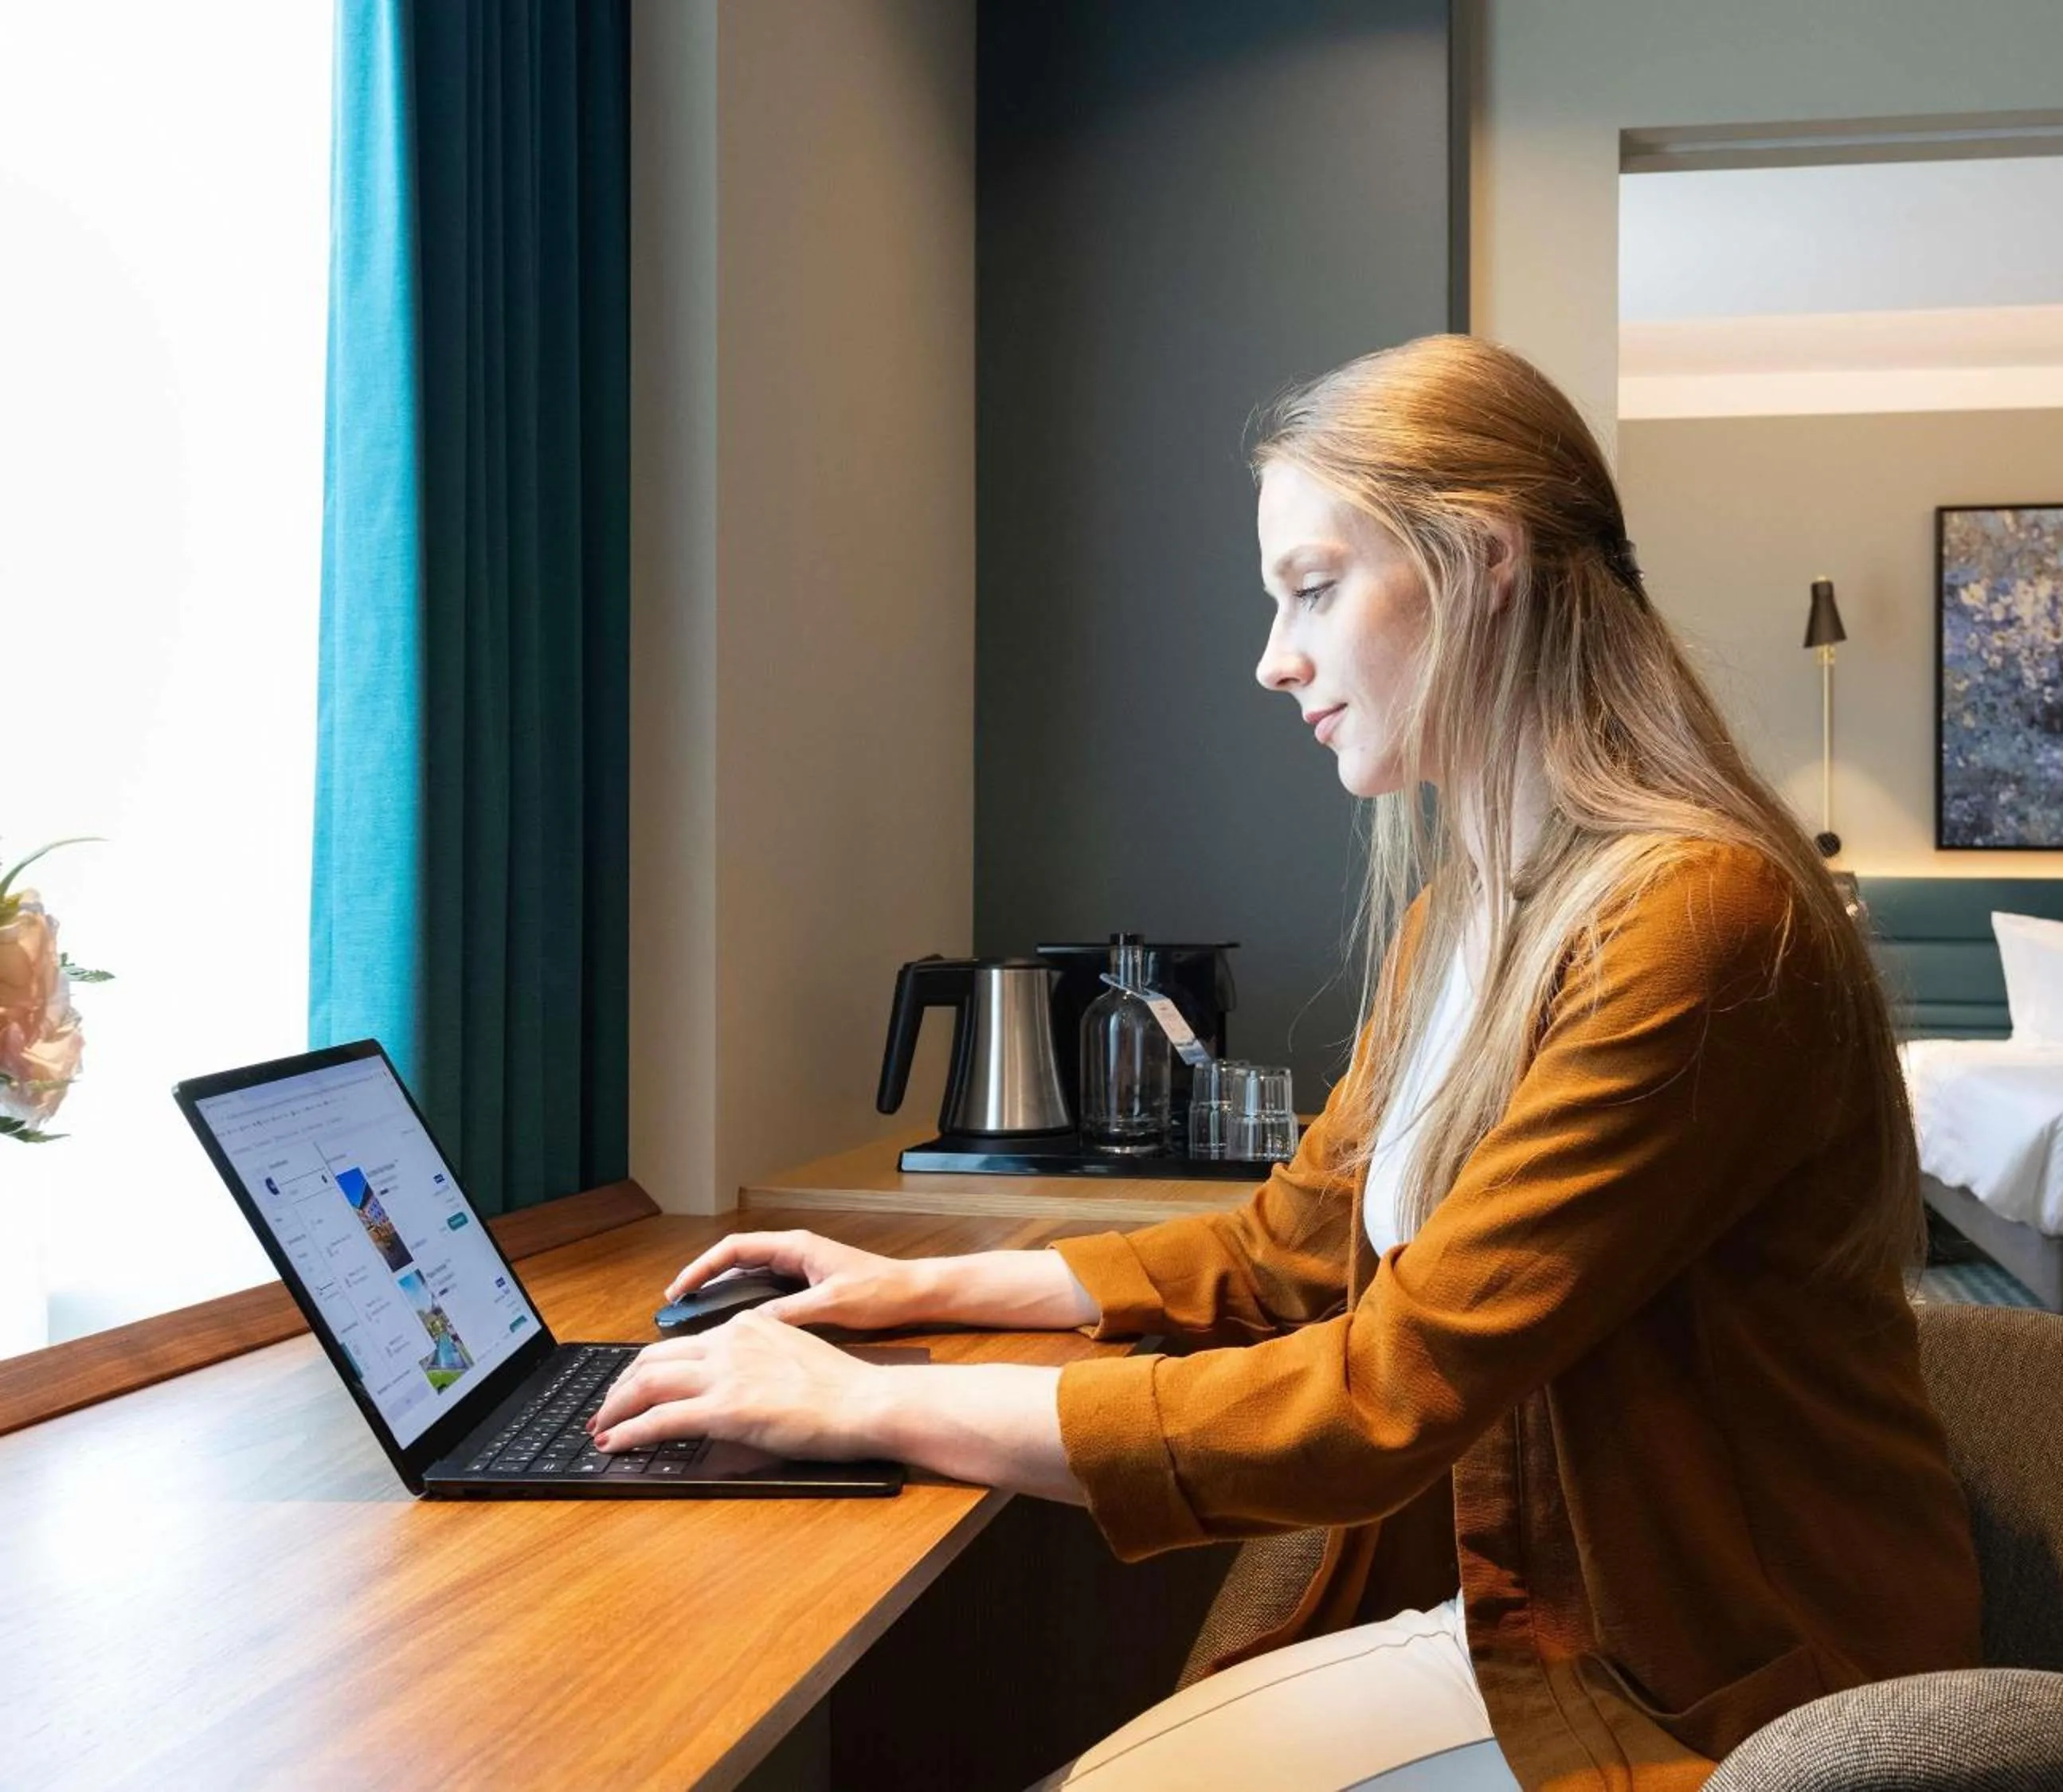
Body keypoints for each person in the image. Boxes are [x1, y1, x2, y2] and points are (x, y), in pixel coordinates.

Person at [587, 335, 1983, 1789]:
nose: (1274, 656)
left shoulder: (1695, 922)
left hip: (1712, 1687)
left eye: (1312, 587)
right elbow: (1291, 1247)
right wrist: (914, 1291)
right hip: (1541, 1615)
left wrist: (865, 1403)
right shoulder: (1467, 914)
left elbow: (1382, 1396)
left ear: (1482, 560)